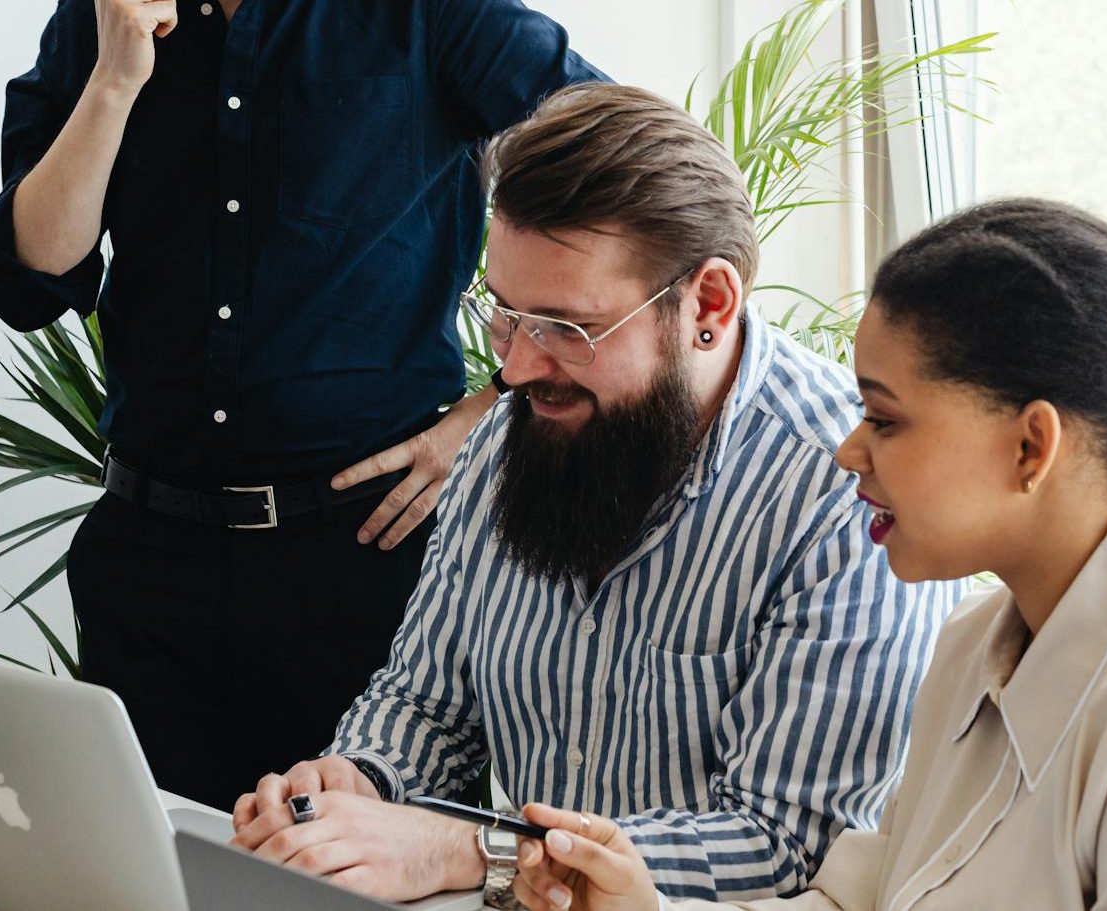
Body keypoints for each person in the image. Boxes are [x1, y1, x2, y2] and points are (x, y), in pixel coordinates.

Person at [227, 84, 966, 906]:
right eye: (503, 315)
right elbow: (425, 703)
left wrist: (483, 850)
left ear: (708, 305)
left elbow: (791, 840)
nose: (514, 367)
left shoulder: (844, 489)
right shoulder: (514, 436)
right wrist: (355, 784)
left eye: (566, 328)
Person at [512, 198, 1107, 910]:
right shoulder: (973, 642)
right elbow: (850, 900)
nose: (847, 451)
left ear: (1031, 445)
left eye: (884, 419)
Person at [0, 0, 605, 810]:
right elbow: (27, 280)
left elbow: (632, 170)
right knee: (154, 879)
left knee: (349, 877)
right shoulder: (97, 19)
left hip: (363, 558)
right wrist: (112, 82)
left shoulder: (435, 13)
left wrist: (495, 407)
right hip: (149, 562)